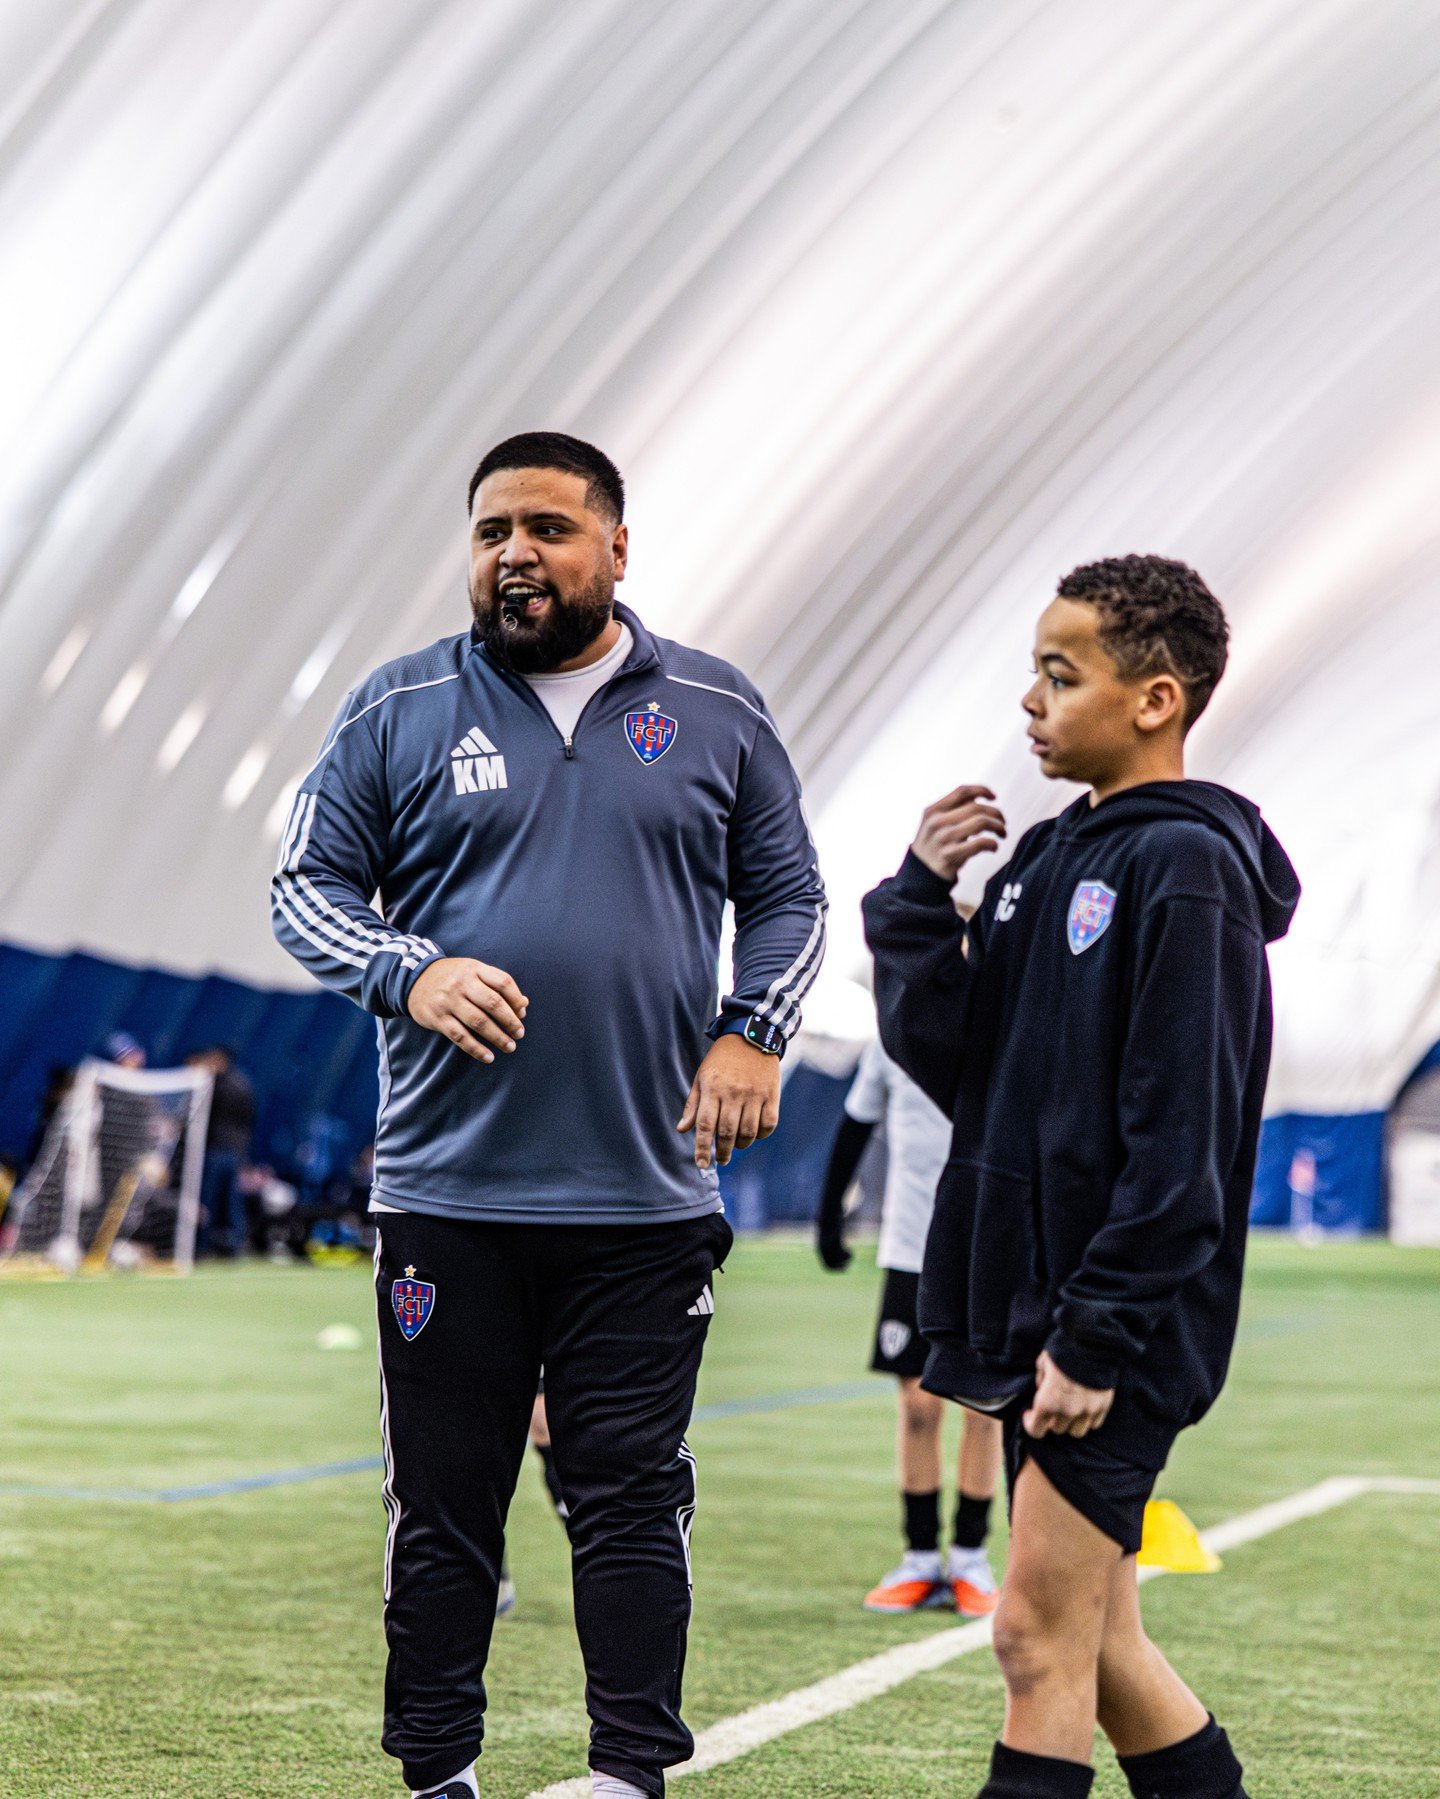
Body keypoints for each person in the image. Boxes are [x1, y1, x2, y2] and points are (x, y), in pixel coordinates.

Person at [270, 431, 826, 1799]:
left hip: (644, 1203)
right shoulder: (394, 707)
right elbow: (301, 889)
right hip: (447, 1201)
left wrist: (752, 1030)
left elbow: (794, 901)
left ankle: (631, 1772)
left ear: (616, 547)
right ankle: (436, 1771)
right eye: (489, 531)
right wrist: (412, 967)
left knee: (632, 1496)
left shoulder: (716, 706)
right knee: (445, 1511)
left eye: (547, 528)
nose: (514, 552)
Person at [862, 556, 1299, 1799]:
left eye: (1062, 674)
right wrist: (913, 899)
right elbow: (968, 1065)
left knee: (1031, 1638)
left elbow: (1183, 1142)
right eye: (1034, 672)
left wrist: (1098, 1337)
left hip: (1109, 1328)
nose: (1032, 702)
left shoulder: (1190, 869)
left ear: (1155, 698)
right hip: (1032, 1307)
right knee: (1098, 1646)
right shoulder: (1049, 858)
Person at [814, 1035, 1001, 1615]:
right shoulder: (893, 1036)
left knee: (983, 1406)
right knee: (919, 1408)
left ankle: (970, 1558)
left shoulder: (1004, 1022)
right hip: (909, 1249)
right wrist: (829, 1217)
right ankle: (920, 1558)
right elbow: (855, 1125)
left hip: (987, 1247)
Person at [186, 1047, 256, 1256]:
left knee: (209, 1199)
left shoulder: (219, 1085)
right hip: (234, 1153)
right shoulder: (244, 1084)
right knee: (231, 1201)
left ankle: (202, 1245)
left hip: (217, 1151)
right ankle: (236, 1243)